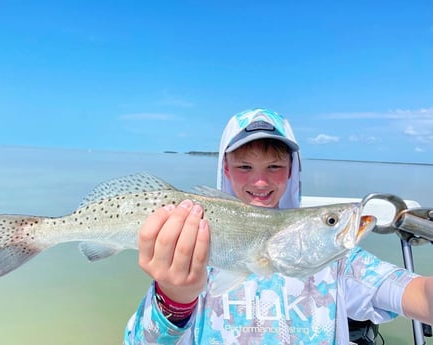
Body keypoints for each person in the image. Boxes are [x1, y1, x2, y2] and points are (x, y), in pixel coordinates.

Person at [124, 108, 433, 344]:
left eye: (274, 166)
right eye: (245, 167)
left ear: (291, 172)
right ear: (226, 170)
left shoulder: (338, 260)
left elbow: (416, 294)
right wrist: (174, 298)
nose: (260, 181)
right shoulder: (196, 249)